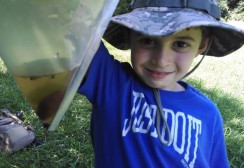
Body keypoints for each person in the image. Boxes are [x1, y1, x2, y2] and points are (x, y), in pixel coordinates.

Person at [77, 0, 244, 167]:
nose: (161, 60)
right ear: (129, 36)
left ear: (202, 45)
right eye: (148, 40)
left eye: (181, 44)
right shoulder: (110, 82)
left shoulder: (209, 114)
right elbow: (71, 23)